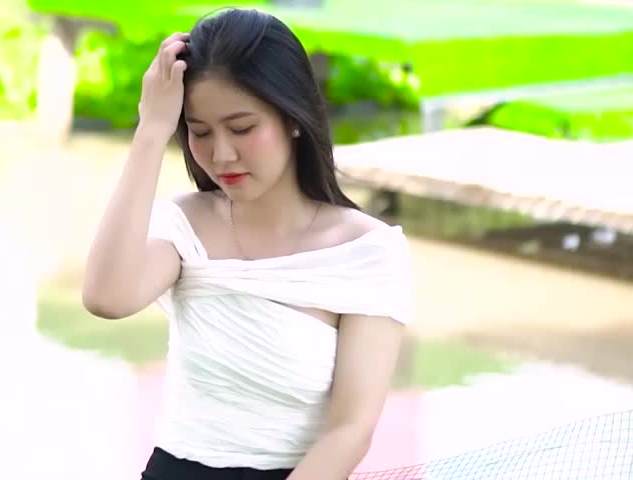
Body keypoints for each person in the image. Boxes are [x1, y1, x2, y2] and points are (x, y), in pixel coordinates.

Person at [82, 7, 413, 480]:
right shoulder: (186, 226)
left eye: (242, 129)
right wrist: (151, 130)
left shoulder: (365, 251)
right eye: (199, 132)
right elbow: (106, 297)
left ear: (293, 118)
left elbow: (350, 430)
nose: (221, 154)